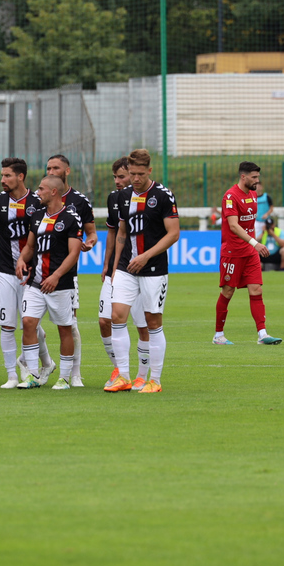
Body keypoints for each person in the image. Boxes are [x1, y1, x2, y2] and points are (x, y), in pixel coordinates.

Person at [0, 157, 54, 388]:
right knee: (7, 324)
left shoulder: (37, 202)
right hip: (4, 272)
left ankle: (44, 363)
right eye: (2, 175)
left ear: (20, 176)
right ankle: (13, 375)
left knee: (31, 325)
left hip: (32, 274)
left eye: (7, 175)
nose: (3, 180)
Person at [106, 149, 179, 393]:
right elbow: (122, 233)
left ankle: (155, 381)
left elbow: (173, 233)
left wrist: (146, 256)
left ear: (149, 171)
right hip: (126, 267)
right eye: (132, 174)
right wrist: (115, 268)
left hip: (154, 269)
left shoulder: (163, 196)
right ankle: (123, 377)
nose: (135, 179)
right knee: (117, 316)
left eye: (139, 174)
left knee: (152, 321)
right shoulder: (123, 196)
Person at [14, 176, 84, 389]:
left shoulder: (72, 218)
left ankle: (63, 378)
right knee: (28, 323)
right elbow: (30, 246)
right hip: (35, 283)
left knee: (65, 329)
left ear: (54, 192)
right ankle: (32, 376)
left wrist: (56, 276)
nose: (37, 192)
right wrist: (21, 259)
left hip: (60, 285)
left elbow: (74, 253)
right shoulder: (36, 216)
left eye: (42, 189)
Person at [214, 162, 283, 346]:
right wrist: (256, 243)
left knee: (256, 289)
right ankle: (218, 335)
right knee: (228, 291)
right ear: (243, 177)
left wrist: (253, 245)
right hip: (232, 252)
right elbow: (234, 226)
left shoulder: (252, 194)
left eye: (258, 177)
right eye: (254, 177)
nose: (257, 181)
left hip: (250, 251)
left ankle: (262, 334)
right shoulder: (230, 196)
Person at [98, 157, 150, 390]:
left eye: (122, 176)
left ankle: (141, 375)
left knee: (143, 324)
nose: (118, 181)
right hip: (118, 268)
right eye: (115, 177)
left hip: (143, 270)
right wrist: (107, 264)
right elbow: (114, 233)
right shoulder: (115, 198)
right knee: (105, 320)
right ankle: (120, 368)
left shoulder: (147, 198)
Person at [46, 154, 97, 387]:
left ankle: (74, 373)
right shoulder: (42, 197)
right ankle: (43, 364)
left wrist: (90, 242)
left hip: (67, 274)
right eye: (48, 168)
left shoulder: (79, 201)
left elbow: (92, 232)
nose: (51, 171)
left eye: (56, 168)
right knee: (29, 322)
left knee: (70, 323)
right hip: (38, 273)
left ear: (67, 171)